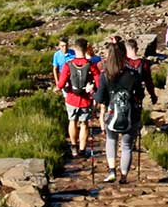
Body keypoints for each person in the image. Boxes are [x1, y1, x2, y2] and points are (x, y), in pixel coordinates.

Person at [98, 38, 148, 183]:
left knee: (111, 139)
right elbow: (140, 94)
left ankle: (112, 170)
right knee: (126, 146)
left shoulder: (105, 74)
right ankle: (124, 176)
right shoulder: (133, 74)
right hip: (130, 113)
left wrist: (92, 92)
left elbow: (100, 97)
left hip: (112, 112)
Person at [56, 35, 101, 158]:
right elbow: (98, 83)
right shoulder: (91, 65)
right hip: (86, 99)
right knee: (84, 124)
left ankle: (74, 147)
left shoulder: (68, 64)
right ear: (86, 49)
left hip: (71, 98)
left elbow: (61, 83)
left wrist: (57, 88)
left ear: (75, 49)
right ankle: (82, 150)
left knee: (72, 121)